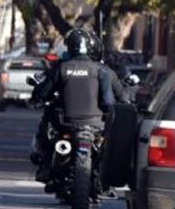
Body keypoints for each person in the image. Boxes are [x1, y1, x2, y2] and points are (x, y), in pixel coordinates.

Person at [30, 28, 115, 181]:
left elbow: (44, 91)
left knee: (46, 131)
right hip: (95, 125)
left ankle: (46, 166)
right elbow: (109, 101)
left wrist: (37, 98)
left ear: (69, 47)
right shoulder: (101, 70)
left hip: (67, 123)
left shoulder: (62, 68)